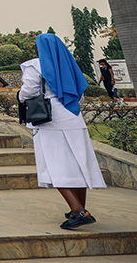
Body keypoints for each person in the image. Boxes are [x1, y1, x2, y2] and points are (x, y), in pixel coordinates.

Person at [18, 34, 106, 229]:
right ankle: (81, 208)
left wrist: (20, 95)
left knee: (53, 164)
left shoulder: (35, 66)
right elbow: (80, 96)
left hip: (50, 120)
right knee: (78, 164)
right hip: (73, 118)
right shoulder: (69, 65)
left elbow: (29, 92)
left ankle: (78, 210)